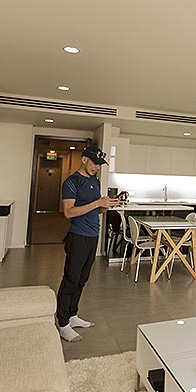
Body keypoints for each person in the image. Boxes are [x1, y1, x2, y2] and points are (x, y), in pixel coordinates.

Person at [56, 144, 118, 342]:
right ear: (84, 160)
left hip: (92, 236)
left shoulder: (95, 182)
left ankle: (72, 315)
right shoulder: (71, 182)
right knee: (71, 279)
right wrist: (97, 203)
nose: (97, 167)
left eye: (100, 164)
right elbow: (68, 212)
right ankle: (63, 323)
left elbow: (95, 210)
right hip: (78, 236)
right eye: (94, 163)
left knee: (82, 279)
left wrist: (105, 206)